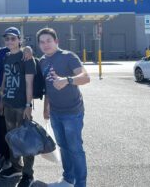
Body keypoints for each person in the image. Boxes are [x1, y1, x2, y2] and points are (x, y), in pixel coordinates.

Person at [37, 28, 90, 187]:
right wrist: (46, 107)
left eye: (49, 41)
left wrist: (67, 80)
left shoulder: (68, 56)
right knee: (63, 147)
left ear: (56, 41)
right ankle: (68, 179)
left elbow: (85, 78)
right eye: (42, 42)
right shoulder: (42, 61)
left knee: (75, 149)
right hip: (55, 112)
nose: (45, 44)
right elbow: (48, 87)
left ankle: (81, 184)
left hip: (72, 112)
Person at [0, 32, 33, 171]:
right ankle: (1, 155)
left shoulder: (4, 52)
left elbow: (19, 49)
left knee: (9, 132)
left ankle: (12, 160)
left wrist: (28, 49)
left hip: (8, 101)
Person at [0, 27, 37, 187]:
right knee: (12, 137)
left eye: (13, 39)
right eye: (7, 39)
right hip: (8, 104)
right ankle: (16, 167)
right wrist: (2, 101)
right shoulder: (6, 56)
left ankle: (28, 174)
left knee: (25, 139)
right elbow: (5, 80)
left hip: (22, 105)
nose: (9, 42)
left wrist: (28, 105)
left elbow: (29, 84)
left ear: (20, 40)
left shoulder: (26, 57)